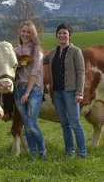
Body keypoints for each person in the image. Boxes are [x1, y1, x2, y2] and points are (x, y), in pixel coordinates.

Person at [44, 23, 87, 159]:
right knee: (64, 124)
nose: (62, 35)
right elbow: (40, 60)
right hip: (57, 93)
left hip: (71, 92)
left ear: (70, 35)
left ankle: (82, 153)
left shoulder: (76, 51)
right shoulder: (53, 52)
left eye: (65, 33)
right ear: (56, 35)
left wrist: (79, 93)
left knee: (75, 123)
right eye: (59, 33)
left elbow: (81, 73)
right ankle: (69, 151)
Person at [13, 21, 47, 159]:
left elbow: (35, 72)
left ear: (33, 34)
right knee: (26, 124)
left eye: (28, 32)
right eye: (23, 31)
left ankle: (43, 151)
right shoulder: (16, 51)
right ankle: (33, 153)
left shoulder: (37, 50)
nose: (25, 34)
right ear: (20, 33)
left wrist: (27, 92)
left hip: (33, 89)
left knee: (32, 123)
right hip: (17, 89)